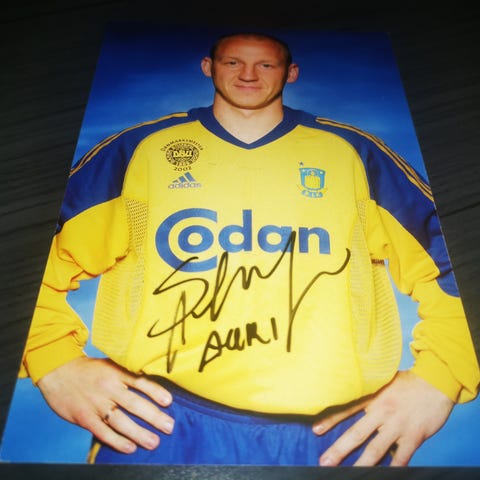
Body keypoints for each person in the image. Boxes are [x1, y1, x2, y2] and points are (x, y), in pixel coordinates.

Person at [20, 31, 479, 467]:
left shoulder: (353, 154)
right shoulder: (142, 150)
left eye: (265, 65)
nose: (248, 75)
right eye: (234, 61)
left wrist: (438, 377)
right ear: (208, 66)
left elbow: (450, 260)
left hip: (334, 433)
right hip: (162, 422)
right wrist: (54, 360)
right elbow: (36, 257)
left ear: (290, 73)